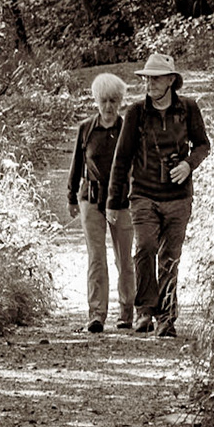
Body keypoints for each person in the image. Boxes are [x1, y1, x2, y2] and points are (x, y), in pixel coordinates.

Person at [107, 52, 209, 339]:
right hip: (143, 195)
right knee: (145, 248)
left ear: (170, 81)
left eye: (155, 78)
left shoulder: (188, 109)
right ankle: (144, 311)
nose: (149, 83)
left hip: (178, 198)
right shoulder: (136, 113)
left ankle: (166, 318)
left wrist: (188, 165)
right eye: (146, 78)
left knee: (170, 258)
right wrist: (114, 202)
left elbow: (203, 145)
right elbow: (122, 159)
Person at [66, 73, 135, 333]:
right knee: (96, 257)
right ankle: (96, 314)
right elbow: (76, 164)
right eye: (104, 101)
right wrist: (71, 196)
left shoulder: (128, 127)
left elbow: (136, 165)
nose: (109, 107)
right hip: (91, 200)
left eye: (114, 101)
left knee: (124, 258)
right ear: (96, 100)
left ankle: (127, 312)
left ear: (121, 102)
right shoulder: (86, 128)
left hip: (121, 201)